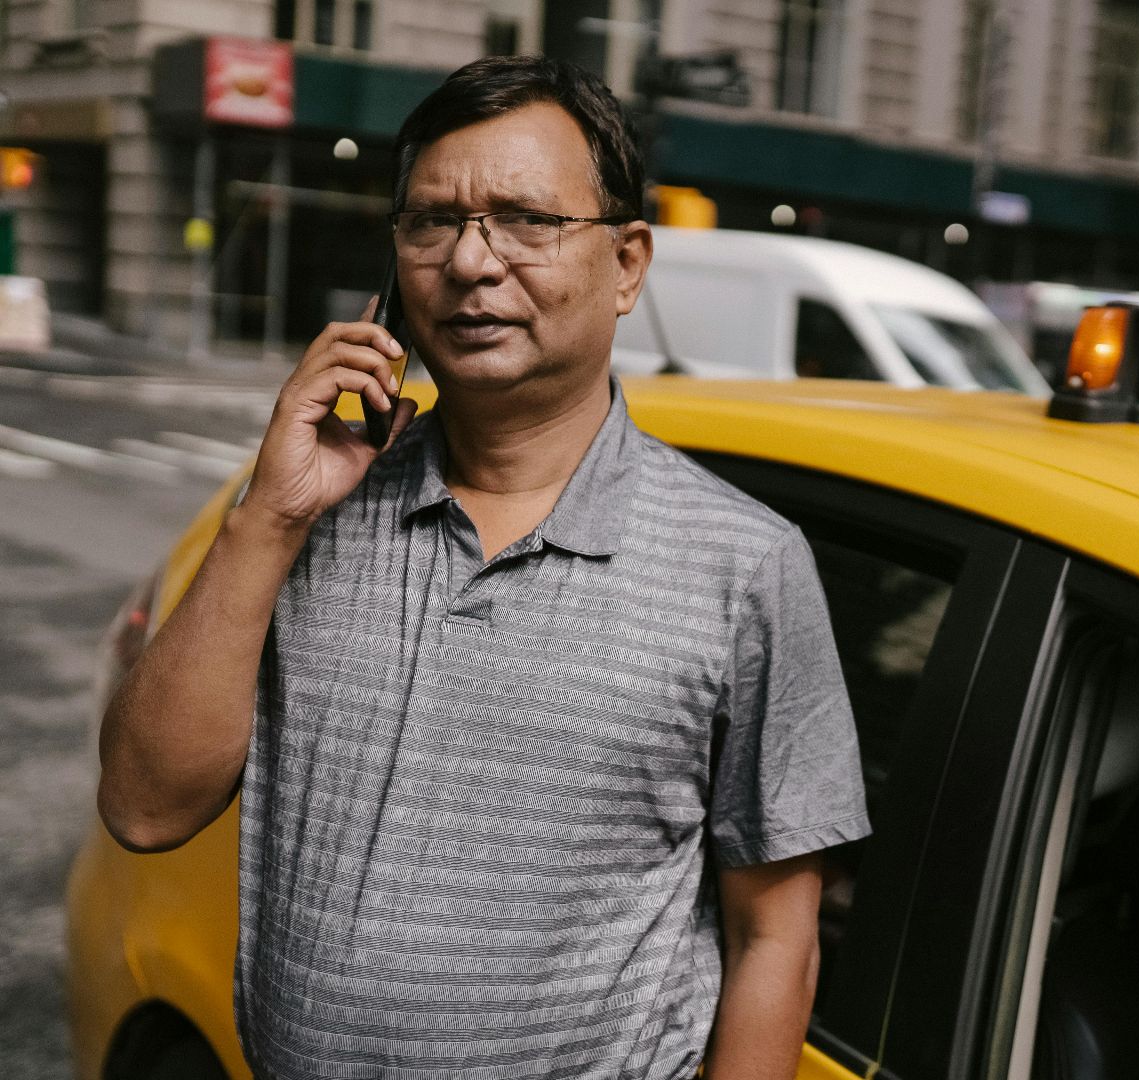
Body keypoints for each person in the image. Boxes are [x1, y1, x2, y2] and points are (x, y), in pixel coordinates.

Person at [95, 56, 869, 1080]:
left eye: (526, 220)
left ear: (628, 263)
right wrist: (270, 517)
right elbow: (145, 809)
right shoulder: (308, 509)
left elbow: (775, 938)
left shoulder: (745, 566)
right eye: (431, 222)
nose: (470, 262)